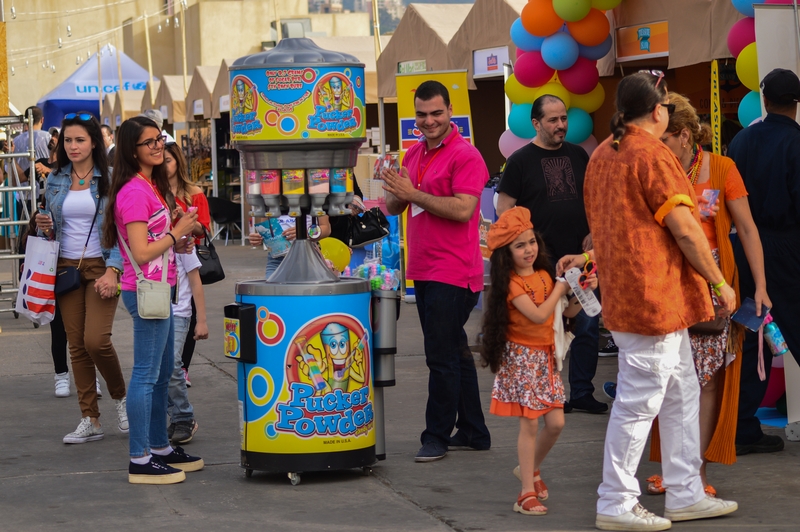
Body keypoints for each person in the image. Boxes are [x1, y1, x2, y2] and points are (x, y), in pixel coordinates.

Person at [581, 71, 738, 530]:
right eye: (666, 104)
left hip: (635, 296)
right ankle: (615, 500)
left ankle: (686, 491)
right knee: (641, 401)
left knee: (679, 392)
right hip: (654, 297)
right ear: (657, 110)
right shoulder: (649, 153)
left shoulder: (603, 155)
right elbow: (686, 229)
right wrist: (719, 283)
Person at [638, 93, 770, 497]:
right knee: (668, 380)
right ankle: (673, 467)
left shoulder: (722, 168)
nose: (657, 145)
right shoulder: (655, 169)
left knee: (708, 379)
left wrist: (760, 286)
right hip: (665, 282)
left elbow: (747, 229)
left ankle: (696, 472)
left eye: (663, 138)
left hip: (714, 283)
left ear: (683, 135)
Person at [382, 80, 491, 462]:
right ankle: (475, 432)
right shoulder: (413, 153)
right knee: (455, 353)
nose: (429, 121)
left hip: (455, 270)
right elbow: (394, 207)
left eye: (436, 113)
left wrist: (411, 194)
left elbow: (463, 210)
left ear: (450, 111)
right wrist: (392, 189)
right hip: (424, 269)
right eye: (422, 115)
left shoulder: (466, 155)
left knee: (440, 356)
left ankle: (436, 436)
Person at [102, 116, 203, 484]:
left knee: (161, 374)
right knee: (146, 375)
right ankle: (140, 458)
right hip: (144, 290)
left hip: (162, 287)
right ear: (133, 150)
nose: (159, 146)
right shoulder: (132, 191)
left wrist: (180, 235)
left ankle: (160, 447)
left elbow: (158, 241)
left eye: (160, 140)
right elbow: (142, 252)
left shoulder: (151, 186)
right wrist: (176, 233)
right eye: (151, 143)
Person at [496, 94, 608, 415]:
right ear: (535, 123)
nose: (561, 126)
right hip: (541, 263)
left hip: (580, 258)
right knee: (545, 328)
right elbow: (505, 210)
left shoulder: (578, 155)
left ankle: (582, 393)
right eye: (553, 120)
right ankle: (548, 392)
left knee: (587, 323)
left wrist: (593, 231)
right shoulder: (520, 160)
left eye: (563, 119)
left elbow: (592, 199)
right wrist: (524, 249)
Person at [481, 206, 595, 516]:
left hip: (545, 357)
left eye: (532, 242)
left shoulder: (545, 276)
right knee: (530, 424)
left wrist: (581, 290)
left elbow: (565, 313)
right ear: (507, 253)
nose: (529, 249)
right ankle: (525, 495)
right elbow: (539, 314)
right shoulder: (512, 285)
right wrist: (562, 286)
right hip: (521, 359)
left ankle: (530, 469)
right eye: (520, 245)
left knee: (556, 423)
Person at [34, 112, 129, 443]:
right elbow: (53, 230)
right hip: (65, 268)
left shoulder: (112, 178)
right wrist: (45, 227)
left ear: (94, 142)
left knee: (96, 340)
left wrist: (114, 269)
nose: (73, 146)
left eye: (80, 140)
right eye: (68, 141)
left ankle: (121, 399)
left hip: (102, 266)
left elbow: (121, 231)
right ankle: (91, 418)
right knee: (76, 346)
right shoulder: (56, 179)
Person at [727, 68, 800, 456]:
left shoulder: (741, 141)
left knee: (751, 336)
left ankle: (742, 426)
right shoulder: (796, 143)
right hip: (787, 248)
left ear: (764, 99)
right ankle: (743, 427)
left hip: (743, 248)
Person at [163, 142, 211, 386]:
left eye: (168, 159)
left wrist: (184, 220)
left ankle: (183, 366)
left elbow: (204, 229)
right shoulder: (154, 190)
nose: (163, 163)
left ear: (178, 162)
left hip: (187, 250)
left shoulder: (194, 192)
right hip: (160, 255)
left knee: (187, 308)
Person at [166, 240, 209, 445]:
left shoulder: (183, 242)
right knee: (157, 369)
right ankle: (175, 417)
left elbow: (195, 281)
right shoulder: (145, 239)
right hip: (152, 312)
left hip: (179, 313)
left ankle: (184, 416)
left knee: (173, 364)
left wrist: (201, 320)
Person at [247, 215, 331, 278]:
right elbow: (267, 228)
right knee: (273, 294)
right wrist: (258, 237)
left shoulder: (312, 195)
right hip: (277, 259)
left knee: (308, 295)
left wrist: (306, 232)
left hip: (308, 257)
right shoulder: (271, 197)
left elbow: (326, 228)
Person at [12, 106, 51, 215]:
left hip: (23, 195)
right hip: (45, 195)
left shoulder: (15, 141)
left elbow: (11, 173)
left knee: (26, 229)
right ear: (42, 120)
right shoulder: (49, 138)